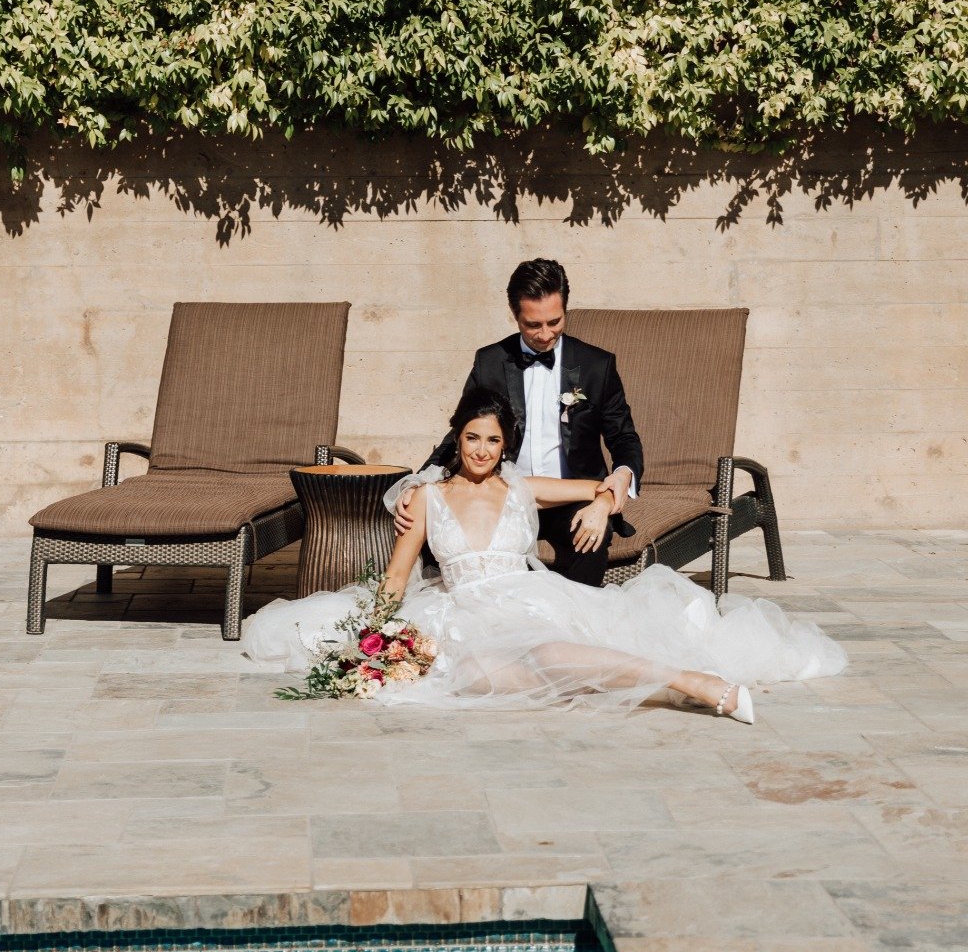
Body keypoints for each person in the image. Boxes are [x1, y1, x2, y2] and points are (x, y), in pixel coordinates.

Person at [243, 392, 847, 716]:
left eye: (493, 440)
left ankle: (688, 680)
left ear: (507, 446)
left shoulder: (521, 488)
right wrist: (372, 638)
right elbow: (398, 576)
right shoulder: (426, 498)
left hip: (523, 596)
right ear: (457, 438)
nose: (481, 449)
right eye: (472, 437)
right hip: (460, 608)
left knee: (545, 650)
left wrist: (606, 500)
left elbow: (600, 483)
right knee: (476, 677)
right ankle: (655, 690)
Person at [394, 257, 642, 586]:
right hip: (503, 495)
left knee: (591, 539)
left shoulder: (597, 365)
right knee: (441, 533)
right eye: (532, 325)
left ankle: (575, 627)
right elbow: (460, 434)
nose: (545, 334)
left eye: (554, 322)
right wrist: (418, 483)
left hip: (572, 495)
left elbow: (623, 437)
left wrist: (617, 483)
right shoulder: (490, 362)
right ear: (515, 315)